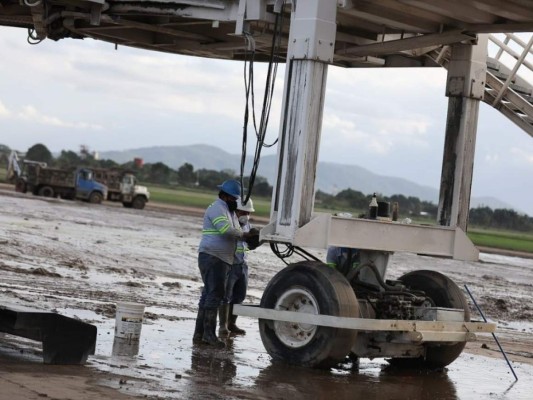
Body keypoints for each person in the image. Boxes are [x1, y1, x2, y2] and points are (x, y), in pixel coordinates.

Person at [193, 179, 255, 347]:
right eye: (234, 199)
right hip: (214, 257)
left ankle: (200, 334)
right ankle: (208, 335)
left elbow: (235, 230)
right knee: (214, 296)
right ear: (226, 197)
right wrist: (244, 235)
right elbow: (225, 230)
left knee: (209, 295)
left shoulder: (228, 211)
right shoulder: (217, 209)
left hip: (220, 258)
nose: (236, 202)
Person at [218, 197, 257, 336]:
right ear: (236, 210)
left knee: (239, 296)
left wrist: (257, 239)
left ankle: (232, 323)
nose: (246, 216)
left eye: (248, 213)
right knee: (226, 296)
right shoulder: (230, 223)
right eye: (243, 212)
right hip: (231, 264)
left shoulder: (247, 225)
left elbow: (250, 245)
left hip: (243, 265)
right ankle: (223, 326)